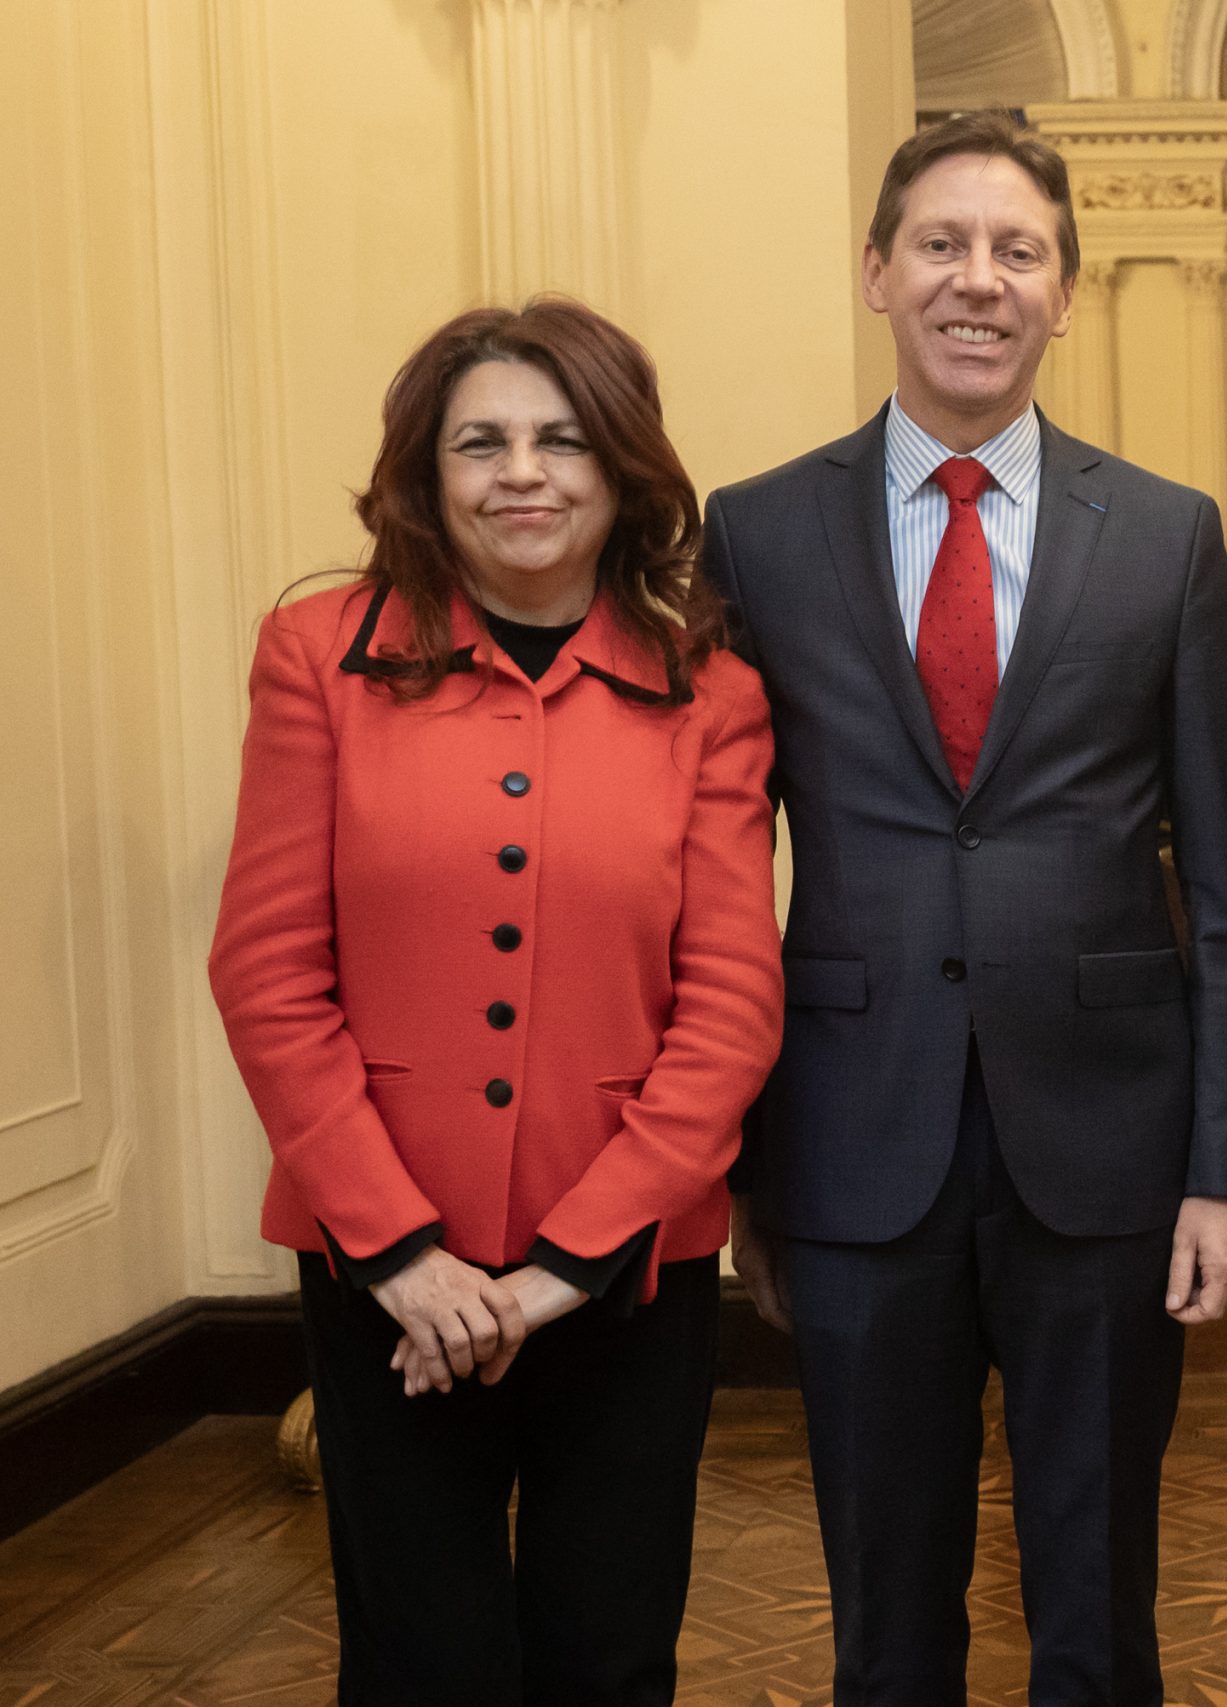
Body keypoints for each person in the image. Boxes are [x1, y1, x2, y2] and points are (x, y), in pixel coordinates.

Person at [700, 111, 1227, 1705]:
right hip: (853, 1136)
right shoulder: (758, 529)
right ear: (877, 272)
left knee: (1098, 1600)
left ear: (1067, 293)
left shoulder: (1165, 538)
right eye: (943, 245)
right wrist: (742, 1162)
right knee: (886, 1606)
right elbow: (721, 877)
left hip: (1107, 1148)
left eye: (1018, 251)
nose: (980, 280)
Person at [208, 297, 785, 1706]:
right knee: (419, 1656)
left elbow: (728, 1005)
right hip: (383, 1266)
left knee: (610, 1649)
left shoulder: (712, 693)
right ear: (428, 470)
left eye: (562, 438)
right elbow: (269, 969)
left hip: (627, 1275)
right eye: (483, 441)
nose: (523, 471)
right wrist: (400, 1251)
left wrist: (567, 1263)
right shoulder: (317, 657)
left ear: (622, 470)